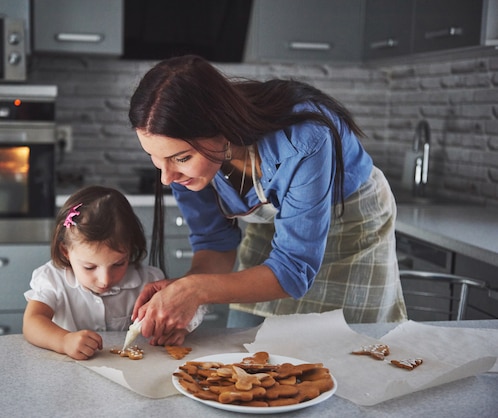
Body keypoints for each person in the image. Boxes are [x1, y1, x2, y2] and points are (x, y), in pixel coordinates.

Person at [128, 55, 407, 344]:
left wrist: (196, 290)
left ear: (222, 126)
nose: (166, 178)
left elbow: (293, 270)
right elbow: (215, 243)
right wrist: (185, 293)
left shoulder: (304, 139)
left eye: (181, 158)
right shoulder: (181, 169)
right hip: (275, 232)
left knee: (353, 349)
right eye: (156, 160)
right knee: (246, 343)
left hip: (351, 223)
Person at [23, 185, 204, 360]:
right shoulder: (52, 279)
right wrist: (63, 341)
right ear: (66, 252)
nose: (105, 280)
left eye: (118, 264)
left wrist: (180, 329)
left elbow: (191, 306)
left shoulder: (149, 281)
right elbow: (32, 322)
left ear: (131, 249)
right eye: (89, 267)